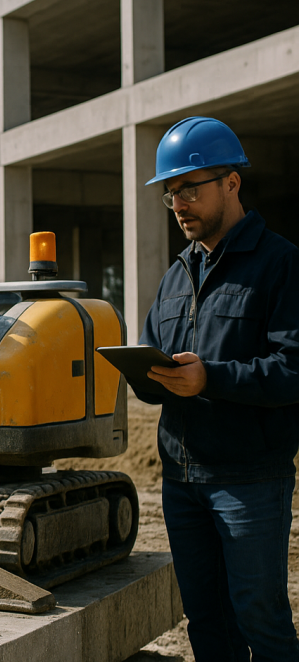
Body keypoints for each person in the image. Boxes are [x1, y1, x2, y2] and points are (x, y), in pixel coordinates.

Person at [139, 116, 299, 661]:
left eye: (190, 187)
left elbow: (292, 371)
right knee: (206, 622)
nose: (179, 203)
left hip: (249, 479)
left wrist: (211, 377)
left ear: (232, 183)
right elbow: (154, 358)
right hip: (182, 481)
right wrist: (149, 378)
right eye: (170, 193)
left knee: (260, 618)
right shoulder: (175, 275)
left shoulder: (280, 264)